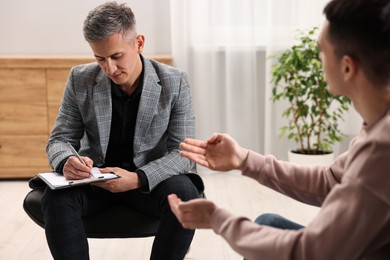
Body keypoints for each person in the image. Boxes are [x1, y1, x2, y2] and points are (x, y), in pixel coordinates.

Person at [168, 0, 390, 259]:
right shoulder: (377, 125)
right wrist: (245, 160)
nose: (319, 60)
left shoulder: (382, 149)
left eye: (322, 52)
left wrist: (218, 219)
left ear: (347, 67)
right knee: (267, 222)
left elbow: (309, 251)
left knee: (265, 231)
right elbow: (331, 181)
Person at [42, 2, 203, 259]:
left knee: (185, 193)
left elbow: (182, 153)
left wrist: (138, 178)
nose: (109, 69)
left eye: (116, 56)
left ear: (138, 43)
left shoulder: (175, 81)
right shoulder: (79, 78)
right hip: (96, 181)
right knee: (56, 197)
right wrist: (66, 160)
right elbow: (60, 139)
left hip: (149, 182)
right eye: (99, 58)